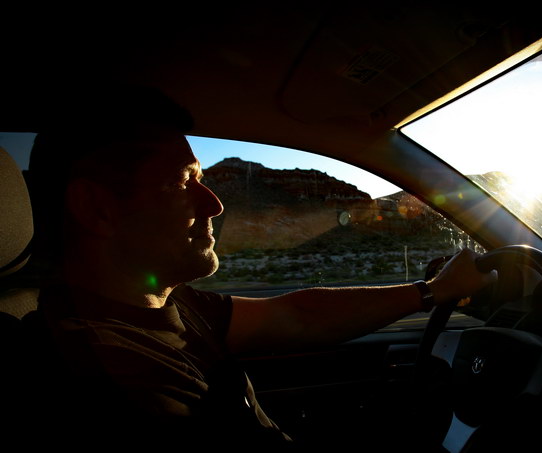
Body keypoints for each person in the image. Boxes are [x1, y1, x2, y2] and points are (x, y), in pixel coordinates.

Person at [23, 86, 494, 448]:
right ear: (97, 208)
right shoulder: (116, 381)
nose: (214, 204)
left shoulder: (162, 303)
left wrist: (431, 291)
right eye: (181, 182)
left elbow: (292, 316)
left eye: (203, 179)